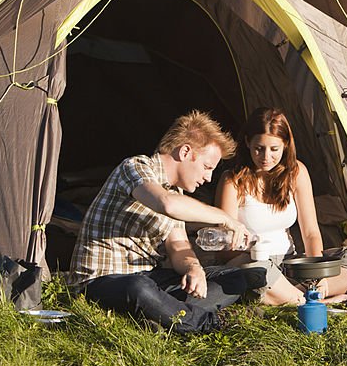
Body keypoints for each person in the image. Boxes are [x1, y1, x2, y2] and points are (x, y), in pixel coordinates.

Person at [68, 110, 264, 334]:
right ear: (185, 151)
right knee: (139, 288)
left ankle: (161, 317)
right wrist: (225, 218)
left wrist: (194, 269)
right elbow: (166, 204)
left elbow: (178, 245)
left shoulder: (176, 192)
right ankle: (209, 323)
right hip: (102, 281)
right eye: (207, 167)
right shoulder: (135, 167)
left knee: (235, 277)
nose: (209, 178)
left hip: (149, 277)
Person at [215, 107, 347, 305]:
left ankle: (301, 294)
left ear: (285, 145)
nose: (266, 156)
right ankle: (316, 300)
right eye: (259, 148)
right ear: (247, 143)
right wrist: (253, 250)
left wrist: (317, 273)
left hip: (291, 264)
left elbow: (311, 232)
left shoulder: (296, 173)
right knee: (251, 272)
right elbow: (225, 249)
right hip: (255, 262)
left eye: (274, 149)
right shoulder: (233, 180)